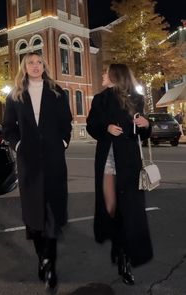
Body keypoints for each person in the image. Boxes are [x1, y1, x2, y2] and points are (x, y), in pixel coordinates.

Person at [2, 52, 72, 292]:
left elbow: (67, 122)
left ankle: (49, 262)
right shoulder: (15, 95)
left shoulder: (56, 91)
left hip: (54, 159)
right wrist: (18, 145)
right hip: (28, 161)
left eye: (39, 62)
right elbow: (8, 128)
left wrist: (63, 142)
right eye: (30, 62)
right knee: (34, 213)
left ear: (45, 66)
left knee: (52, 211)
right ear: (24, 67)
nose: (34, 66)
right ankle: (41, 255)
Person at [86, 63, 153, 285]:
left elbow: (141, 133)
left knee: (129, 212)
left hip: (129, 163)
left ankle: (125, 259)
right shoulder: (99, 99)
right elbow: (91, 125)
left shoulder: (136, 98)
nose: (102, 75)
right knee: (111, 209)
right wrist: (105, 128)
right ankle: (117, 246)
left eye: (105, 72)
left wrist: (145, 124)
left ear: (116, 75)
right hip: (107, 162)